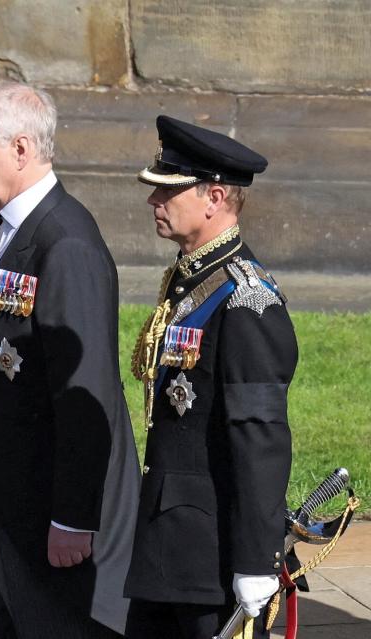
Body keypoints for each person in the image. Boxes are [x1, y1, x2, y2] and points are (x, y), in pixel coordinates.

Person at [0, 81, 140, 638]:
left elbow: (86, 388)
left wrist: (73, 518)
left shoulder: (65, 243)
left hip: (42, 515)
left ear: (21, 149)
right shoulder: (8, 232)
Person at [124, 116, 297, 639]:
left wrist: (255, 560)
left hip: (213, 554)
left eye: (168, 192)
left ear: (214, 196)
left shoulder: (247, 301)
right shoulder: (188, 279)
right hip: (167, 542)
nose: (154, 202)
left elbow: (259, 438)